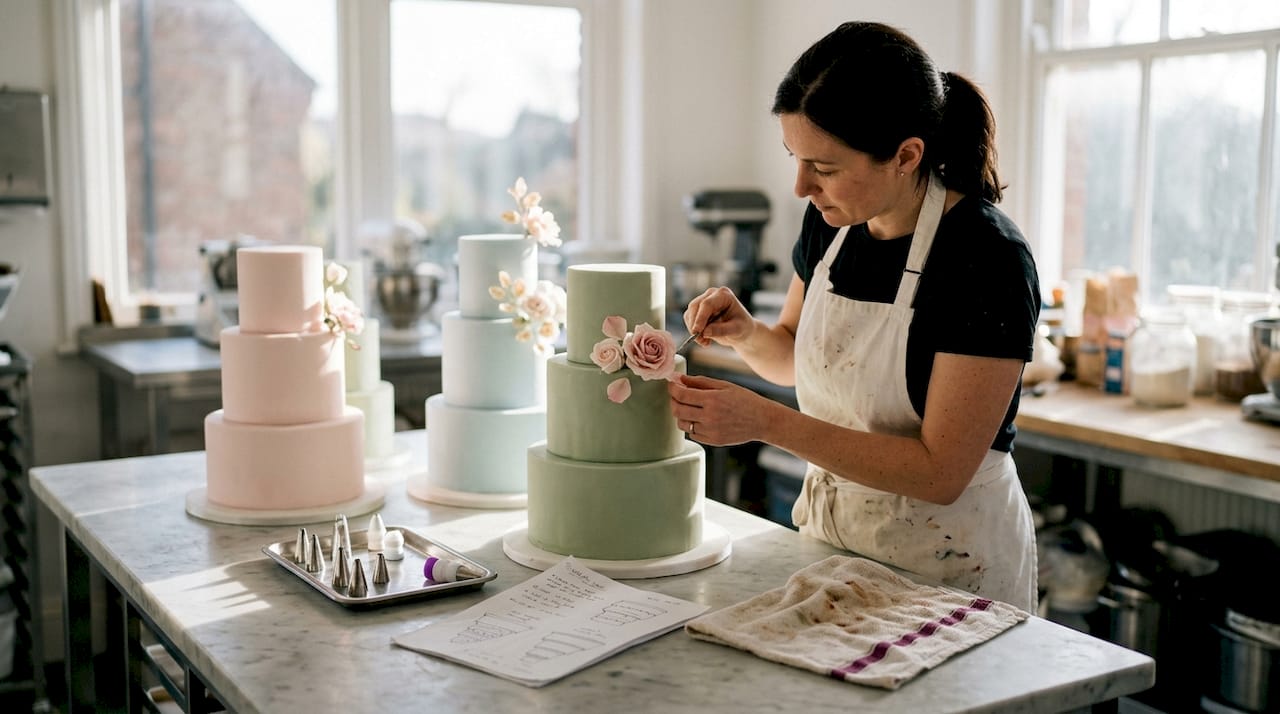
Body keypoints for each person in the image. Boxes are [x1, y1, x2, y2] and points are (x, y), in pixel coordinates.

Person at [668, 21, 1041, 611]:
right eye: (795, 157)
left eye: (825, 166)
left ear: (906, 155)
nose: (800, 186)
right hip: (834, 546)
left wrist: (765, 422)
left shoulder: (985, 257)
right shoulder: (832, 222)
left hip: (950, 567)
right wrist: (746, 333)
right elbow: (793, 357)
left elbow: (939, 472)